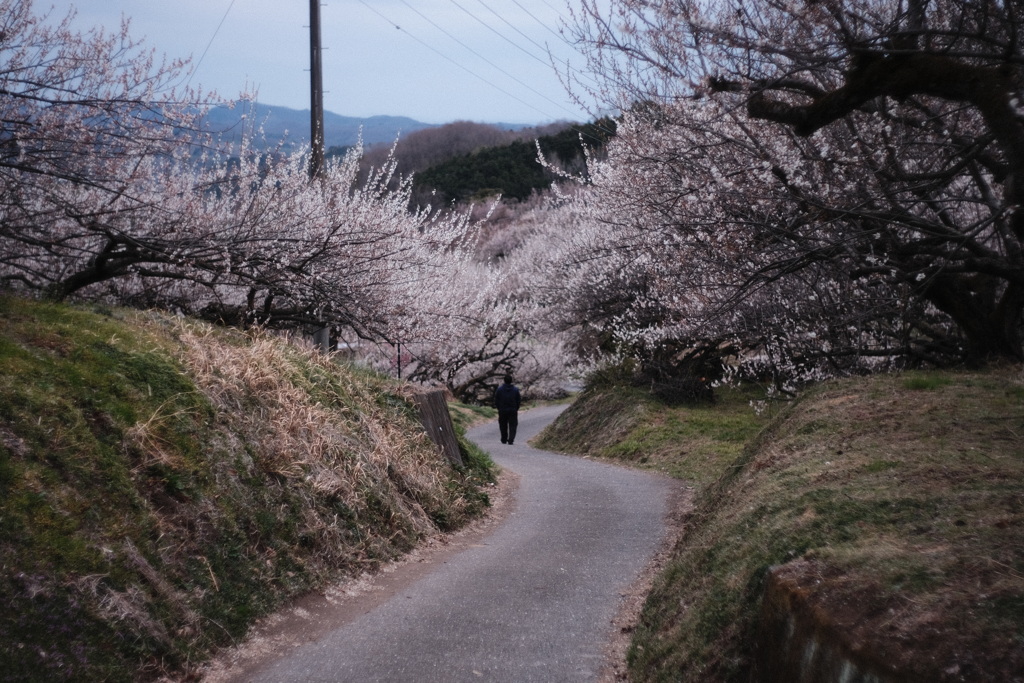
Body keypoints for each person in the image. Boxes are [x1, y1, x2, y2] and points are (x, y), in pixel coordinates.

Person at [494, 374, 521, 445]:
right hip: (513, 410)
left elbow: (496, 400)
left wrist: (499, 408)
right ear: (511, 381)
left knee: (503, 425)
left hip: (502, 410)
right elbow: (518, 400)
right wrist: (516, 408)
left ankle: (504, 438)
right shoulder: (515, 390)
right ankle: (511, 439)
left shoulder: (499, 389)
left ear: (504, 380)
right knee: (513, 425)